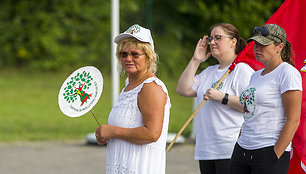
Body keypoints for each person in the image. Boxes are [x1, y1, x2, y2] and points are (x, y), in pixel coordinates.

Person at [205, 24, 303, 174]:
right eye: (256, 44)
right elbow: (249, 113)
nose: (258, 48)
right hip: (243, 148)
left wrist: (275, 155)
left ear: (280, 46)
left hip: (268, 149)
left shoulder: (287, 73)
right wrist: (240, 139)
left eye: (263, 44)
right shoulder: (256, 75)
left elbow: (293, 119)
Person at [176, 23, 254, 174]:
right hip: (206, 150)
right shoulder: (208, 72)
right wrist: (195, 60)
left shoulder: (241, 70)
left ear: (233, 42)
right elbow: (183, 89)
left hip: (230, 149)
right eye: (211, 38)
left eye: (218, 38)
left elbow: (251, 105)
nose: (212, 42)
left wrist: (223, 97)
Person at [95, 24, 171, 174]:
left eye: (135, 54)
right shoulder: (128, 86)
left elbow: (152, 134)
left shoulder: (151, 87)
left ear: (149, 57)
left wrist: (113, 131)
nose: (128, 59)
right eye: (123, 54)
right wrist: (104, 135)